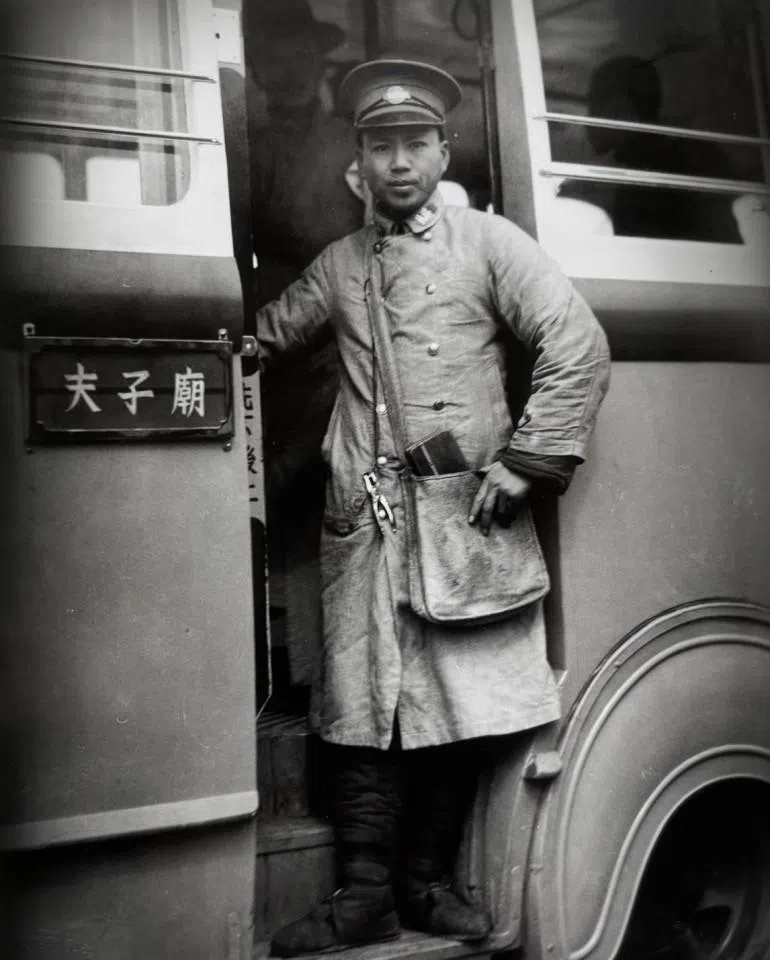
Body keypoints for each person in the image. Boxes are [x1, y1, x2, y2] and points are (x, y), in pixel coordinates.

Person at [256, 59, 611, 957]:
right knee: (360, 710)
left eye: (416, 143)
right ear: (358, 165)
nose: (399, 162)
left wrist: (527, 462)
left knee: (458, 707)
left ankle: (425, 885)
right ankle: (365, 895)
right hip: (367, 525)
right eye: (381, 147)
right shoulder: (338, 265)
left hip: (463, 521)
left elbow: (577, 340)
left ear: (443, 150)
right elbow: (261, 336)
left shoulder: (490, 244)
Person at [243, 0, 363, 688]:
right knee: (282, 520)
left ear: (318, 62)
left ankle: (330, 690)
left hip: (339, 354)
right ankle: (294, 683)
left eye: (298, 53)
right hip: (271, 345)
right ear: (255, 66)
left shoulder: (351, 144)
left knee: (335, 517)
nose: (285, 68)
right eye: (272, 55)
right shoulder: (246, 143)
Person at [560, 56, 742, 243]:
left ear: (621, 107)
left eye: (594, 105)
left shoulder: (671, 165)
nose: (588, 119)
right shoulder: (637, 165)